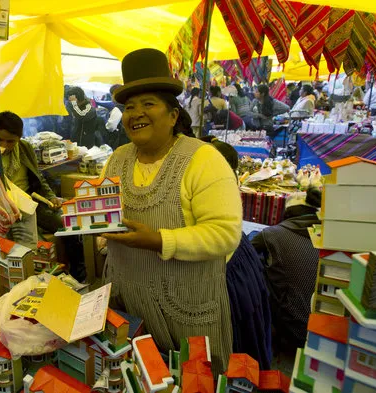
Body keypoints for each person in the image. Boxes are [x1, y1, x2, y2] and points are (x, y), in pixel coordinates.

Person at [100, 48, 242, 374]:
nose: (136, 113)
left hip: (187, 314)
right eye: (129, 107)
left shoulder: (203, 160)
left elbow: (225, 234)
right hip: (129, 311)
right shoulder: (117, 159)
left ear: (173, 114)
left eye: (148, 103)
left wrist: (159, 240)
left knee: (193, 380)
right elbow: (106, 214)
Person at [0, 111, 86, 281]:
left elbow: (38, 177)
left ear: (19, 138)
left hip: (30, 207)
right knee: (19, 255)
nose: (3, 144)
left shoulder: (25, 148)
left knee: (68, 226)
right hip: (0, 214)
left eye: (10, 141)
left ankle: (79, 274)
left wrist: (51, 196)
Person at [201, 135, 273, 370]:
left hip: (226, 271)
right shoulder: (222, 180)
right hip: (238, 263)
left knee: (234, 344)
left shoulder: (210, 182)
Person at [251, 188, 322, 355]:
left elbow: (245, 254)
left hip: (293, 328)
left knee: (256, 262)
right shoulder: (328, 235)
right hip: (323, 332)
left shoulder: (272, 234)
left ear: (288, 214)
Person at [105, 84, 130, 149]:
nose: (111, 97)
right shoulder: (128, 105)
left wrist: (106, 125)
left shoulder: (117, 109)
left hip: (121, 140)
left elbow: (111, 126)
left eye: (111, 95)